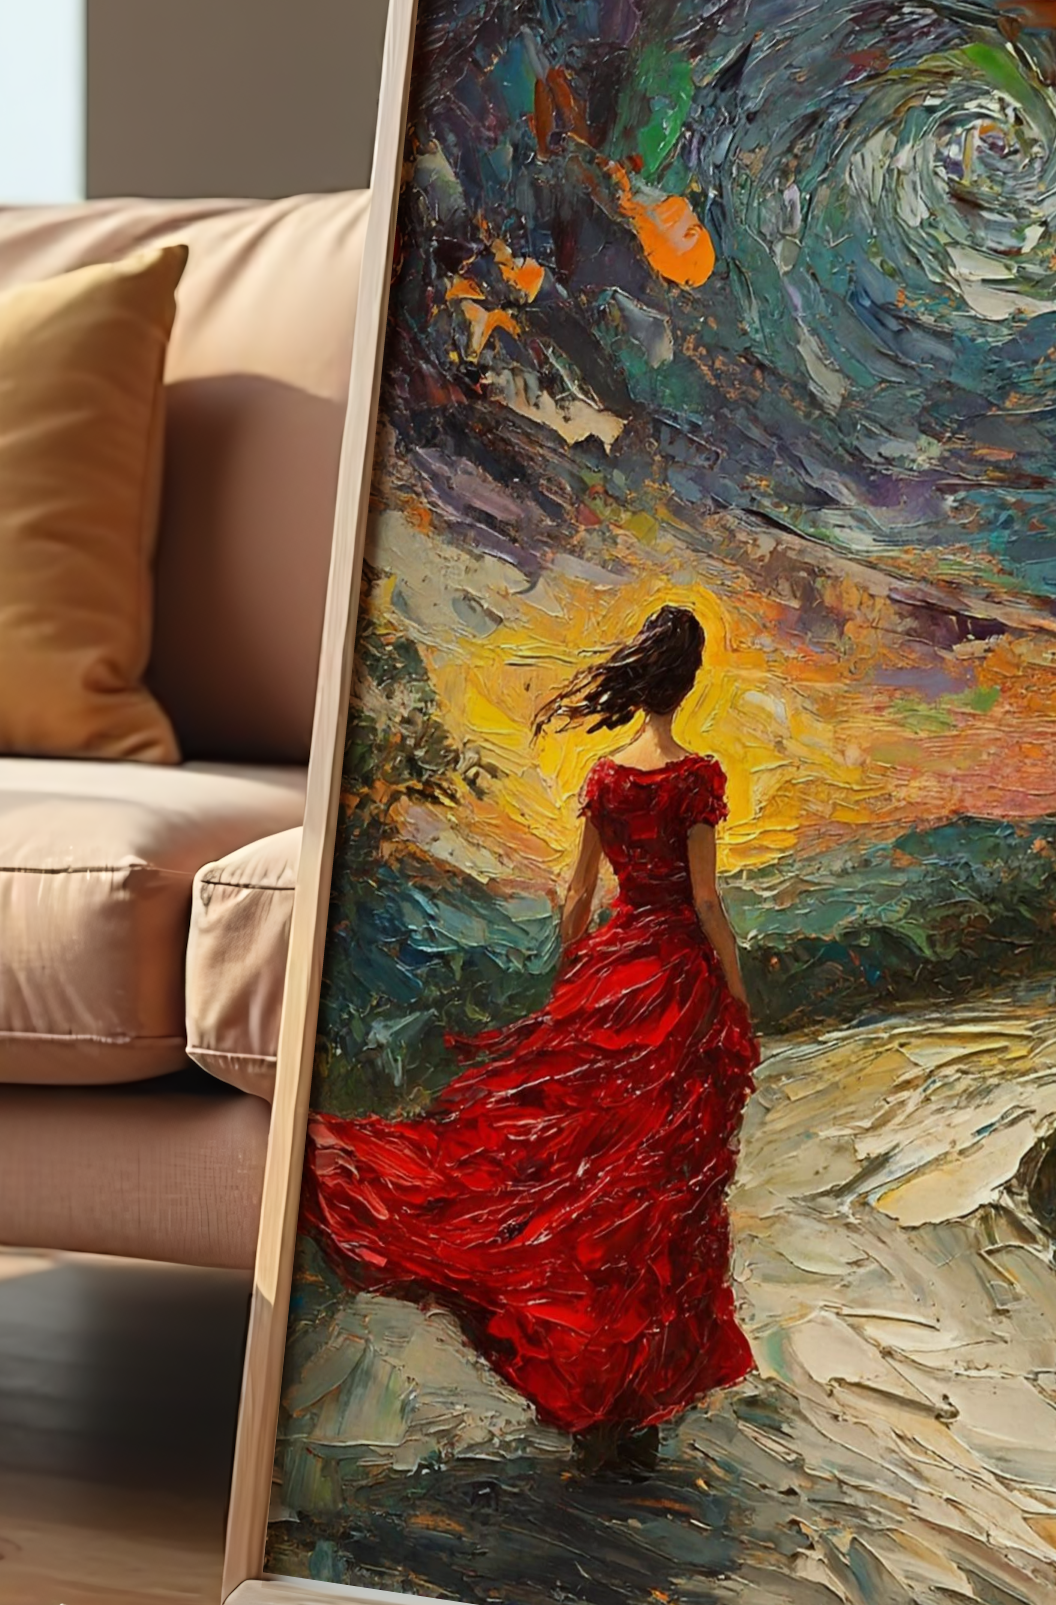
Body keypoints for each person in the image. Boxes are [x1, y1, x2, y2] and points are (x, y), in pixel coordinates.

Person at [305, 605, 760, 1479]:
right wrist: (736, 998)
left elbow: (578, 896)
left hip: (613, 981)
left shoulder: (606, 777)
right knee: (653, 1196)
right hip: (675, 990)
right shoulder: (698, 778)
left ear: (641, 681)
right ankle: (628, 1404)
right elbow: (705, 902)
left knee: (588, 1188)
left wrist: (574, 989)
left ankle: (596, 1400)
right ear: (690, 683)